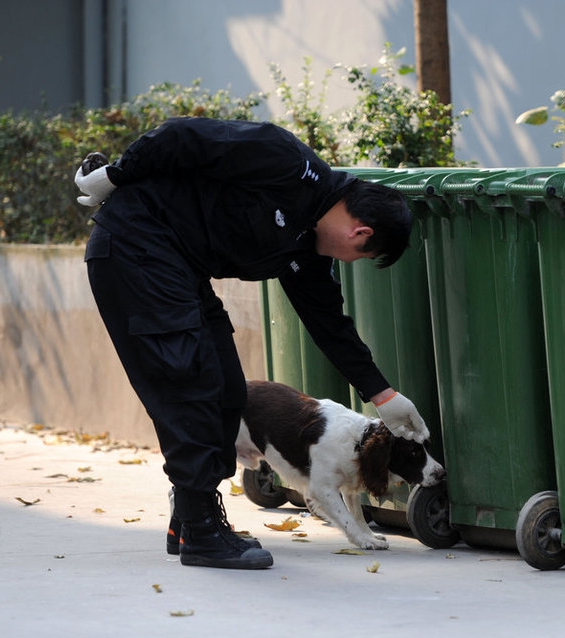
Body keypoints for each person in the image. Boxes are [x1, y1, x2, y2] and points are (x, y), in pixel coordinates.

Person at [74, 116, 430, 570]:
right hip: (136, 247)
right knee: (190, 384)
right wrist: (118, 175)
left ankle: (188, 519)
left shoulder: (306, 248)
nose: (352, 261)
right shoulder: (285, 161)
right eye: (362, 255)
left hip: (181, 269)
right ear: (361, 234)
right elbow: (184, 135)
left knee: (227, 391)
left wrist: (383, 395)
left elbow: (329, 324)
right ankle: (202, 531)